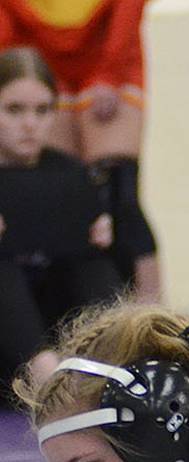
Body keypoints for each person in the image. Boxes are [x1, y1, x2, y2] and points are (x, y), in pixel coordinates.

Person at [0, 0, 161, 301]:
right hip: (38, 52)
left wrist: (111, 73)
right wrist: (14, 69)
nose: (29, 123)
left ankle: (150, 308)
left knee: (116, 192)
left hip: (108, 46)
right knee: (54, 191)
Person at [0, 46, 123, 392]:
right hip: (15, 341)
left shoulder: (70, 173)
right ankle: (47, 376)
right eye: (14, 110)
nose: (30, 124)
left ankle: (119, 359)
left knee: (91, 261)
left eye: (42, 111)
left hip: (52, 324)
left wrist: (104, 231)